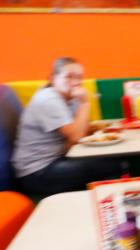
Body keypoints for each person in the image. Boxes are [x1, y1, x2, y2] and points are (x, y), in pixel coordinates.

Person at [12, 57, 123, 196]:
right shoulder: (48, 99)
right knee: (111, 166)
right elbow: (76, 137)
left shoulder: (69, 97)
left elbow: (81, 131)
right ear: (52, 78)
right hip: (36, 173)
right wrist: (85, 103)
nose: (76, 83)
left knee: (110, 159)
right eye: (69, 77)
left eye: (79, 77)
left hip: (56, 160)